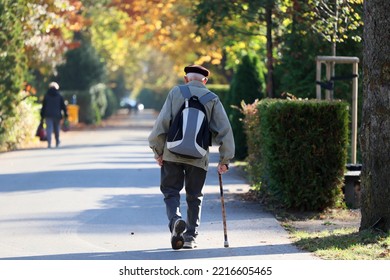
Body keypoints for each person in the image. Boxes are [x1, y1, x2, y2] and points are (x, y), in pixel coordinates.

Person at [148, 64, 235, 250]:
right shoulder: (212, 99)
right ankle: (189, 237)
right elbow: (224, 130)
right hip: (199, 156)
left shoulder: (176, 92)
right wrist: (225, 159)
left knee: (171, 191)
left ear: (186, 79)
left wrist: (158, 151)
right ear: (205, 81)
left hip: (172, 153)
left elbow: (162, 123)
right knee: (194, 196)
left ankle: (175, 221)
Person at [40, 82, 68, 148]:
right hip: (57, 115)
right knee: (57, 129)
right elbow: (63, 106)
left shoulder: (46, 96)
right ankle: (57, 141)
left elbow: (44, 106)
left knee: (49, 129)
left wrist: (42, 116)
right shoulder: (59, 96)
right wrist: (65, 114)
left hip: (48, 115)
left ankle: (49, 143)